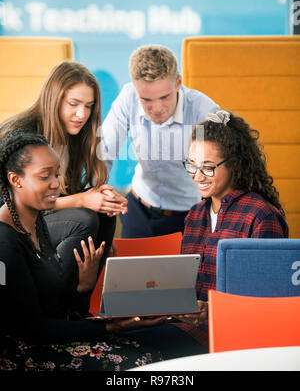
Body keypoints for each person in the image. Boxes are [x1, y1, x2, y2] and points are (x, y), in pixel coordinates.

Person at [0, 130, 208, 371]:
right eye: (45, 176)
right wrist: (114, 326)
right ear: (15, 180)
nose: (56, 183)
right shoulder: (5, 242)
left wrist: (84, 287)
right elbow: (37, 330)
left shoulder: (33, 222)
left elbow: (54, 309)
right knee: (140, 361)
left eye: (56, 173)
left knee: (154, 349)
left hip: (48, 338)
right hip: (22, 354)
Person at [0, 61, 127, 287]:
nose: (82, 114)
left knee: (104, 212)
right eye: (73, 104)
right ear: (53, 99)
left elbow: (62, 196)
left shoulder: (75, 136)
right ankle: (60, 307)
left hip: (41, 220)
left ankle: (80, 306)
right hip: (11, 225)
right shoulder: (20, 135)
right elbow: (11, 207)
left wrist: (99, 203)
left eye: (88, 106)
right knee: (83, 219)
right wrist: (82, 200)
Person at [177, 110, 289, 345]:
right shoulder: (195, 215)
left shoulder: (260, 216)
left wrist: (212, 309)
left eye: (208, 167)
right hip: (183, 329)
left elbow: (268, 304)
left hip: (229, 337)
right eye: (192, 165)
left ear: (235, 164)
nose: (198, 176)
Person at [101, 45, 219, 238]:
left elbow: (226, 169)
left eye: (164, 97)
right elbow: (103, 153)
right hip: (140, 208)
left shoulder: (204, 110)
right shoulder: (127, 97)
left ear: (178, 82)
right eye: (146, 99)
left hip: (191, 215)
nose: (157, 108)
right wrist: (99, 190)